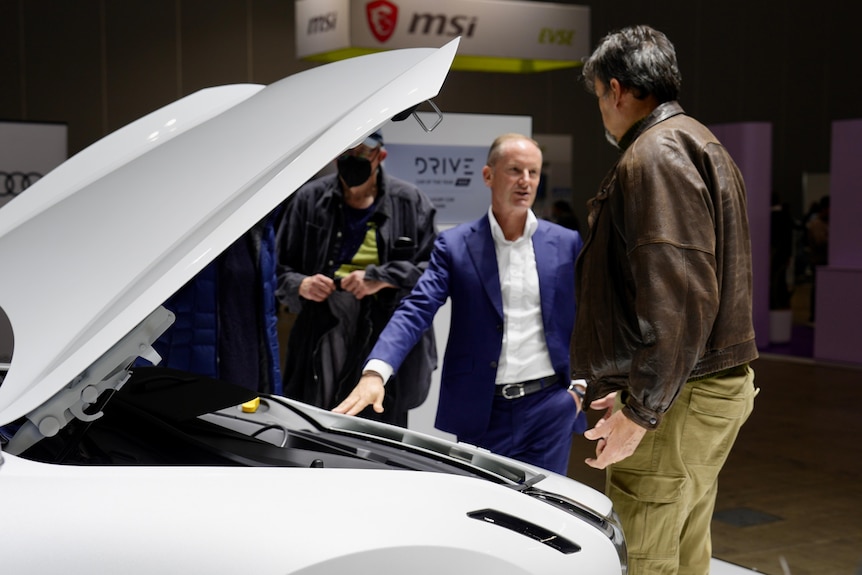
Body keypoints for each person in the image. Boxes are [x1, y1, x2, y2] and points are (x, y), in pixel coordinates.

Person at [573, 25, 759, 574]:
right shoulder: (698, 141)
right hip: (698, 389)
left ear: (617, 89)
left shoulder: (655, 153)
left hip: (681, 396)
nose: (603, 113)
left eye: (600, 100)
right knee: (682, 549)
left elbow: (678, 297)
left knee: (648, 556)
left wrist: (643, 409)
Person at [334, 133, 587, 475]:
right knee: (482, 513)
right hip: (481, 410)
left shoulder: (565, 242)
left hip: (549, 407)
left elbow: (589, 316)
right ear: (488, 175)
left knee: (544, 515)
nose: (525, 181)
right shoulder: (455, 245)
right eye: (515, 170)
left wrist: (580, 389)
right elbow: (417, 308)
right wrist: (376, 371)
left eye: (533, 172)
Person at [275, 130, 437, 427]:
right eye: (346, 153)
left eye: (362, 153)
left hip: (387, 332)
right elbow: (276, 270)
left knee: (381, 428)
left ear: (380, 156)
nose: (353, 160)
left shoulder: (410, 202)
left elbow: (433, 271)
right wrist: (302, 284)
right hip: (322, 329)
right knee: (319, 419)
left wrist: (381, 278)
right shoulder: (309, 200)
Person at [149, 211, 282, 394]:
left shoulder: (260, 224)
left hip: (249, 372)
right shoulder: (178, 223)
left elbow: (267, 315)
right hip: (184, 378)